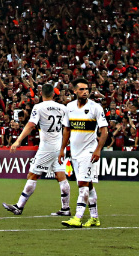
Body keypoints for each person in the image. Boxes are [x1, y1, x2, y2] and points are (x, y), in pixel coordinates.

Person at [3, 83, 71, 217]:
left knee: (32, 175)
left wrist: (18, 141)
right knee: (61, 177)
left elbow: (30, 125)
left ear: (41, 94)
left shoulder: (39, 107)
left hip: (46, 147)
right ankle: (66, 208)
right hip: (60, 147)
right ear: (53, 94)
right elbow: (67, 127)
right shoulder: (63, 108)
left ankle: (19, 207)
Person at [59, 78, 108, 228]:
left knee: (82, 185)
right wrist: (62, 149)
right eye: (81, 89)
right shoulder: (69, 107)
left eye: (87, 89)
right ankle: (94, 217)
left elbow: (104, 131)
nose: (85, 91)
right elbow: (67, 129)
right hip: (75, 153)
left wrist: (98, 149)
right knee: (89, 184)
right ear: (74, 91)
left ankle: (78, 217)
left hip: (89, 152)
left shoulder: (96, 107)